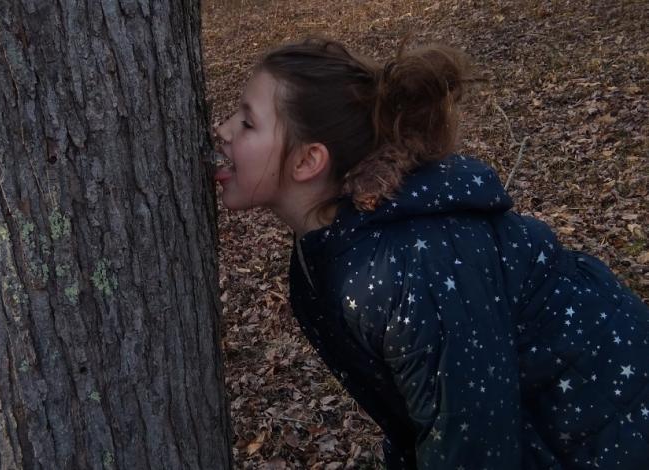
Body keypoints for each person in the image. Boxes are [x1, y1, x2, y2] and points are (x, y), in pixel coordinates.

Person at [213, 38, 649, 469]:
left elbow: (472, 440)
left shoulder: (405, 270)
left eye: (248, 123)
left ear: (308, 161)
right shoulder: (330, 244)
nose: (222, 129)